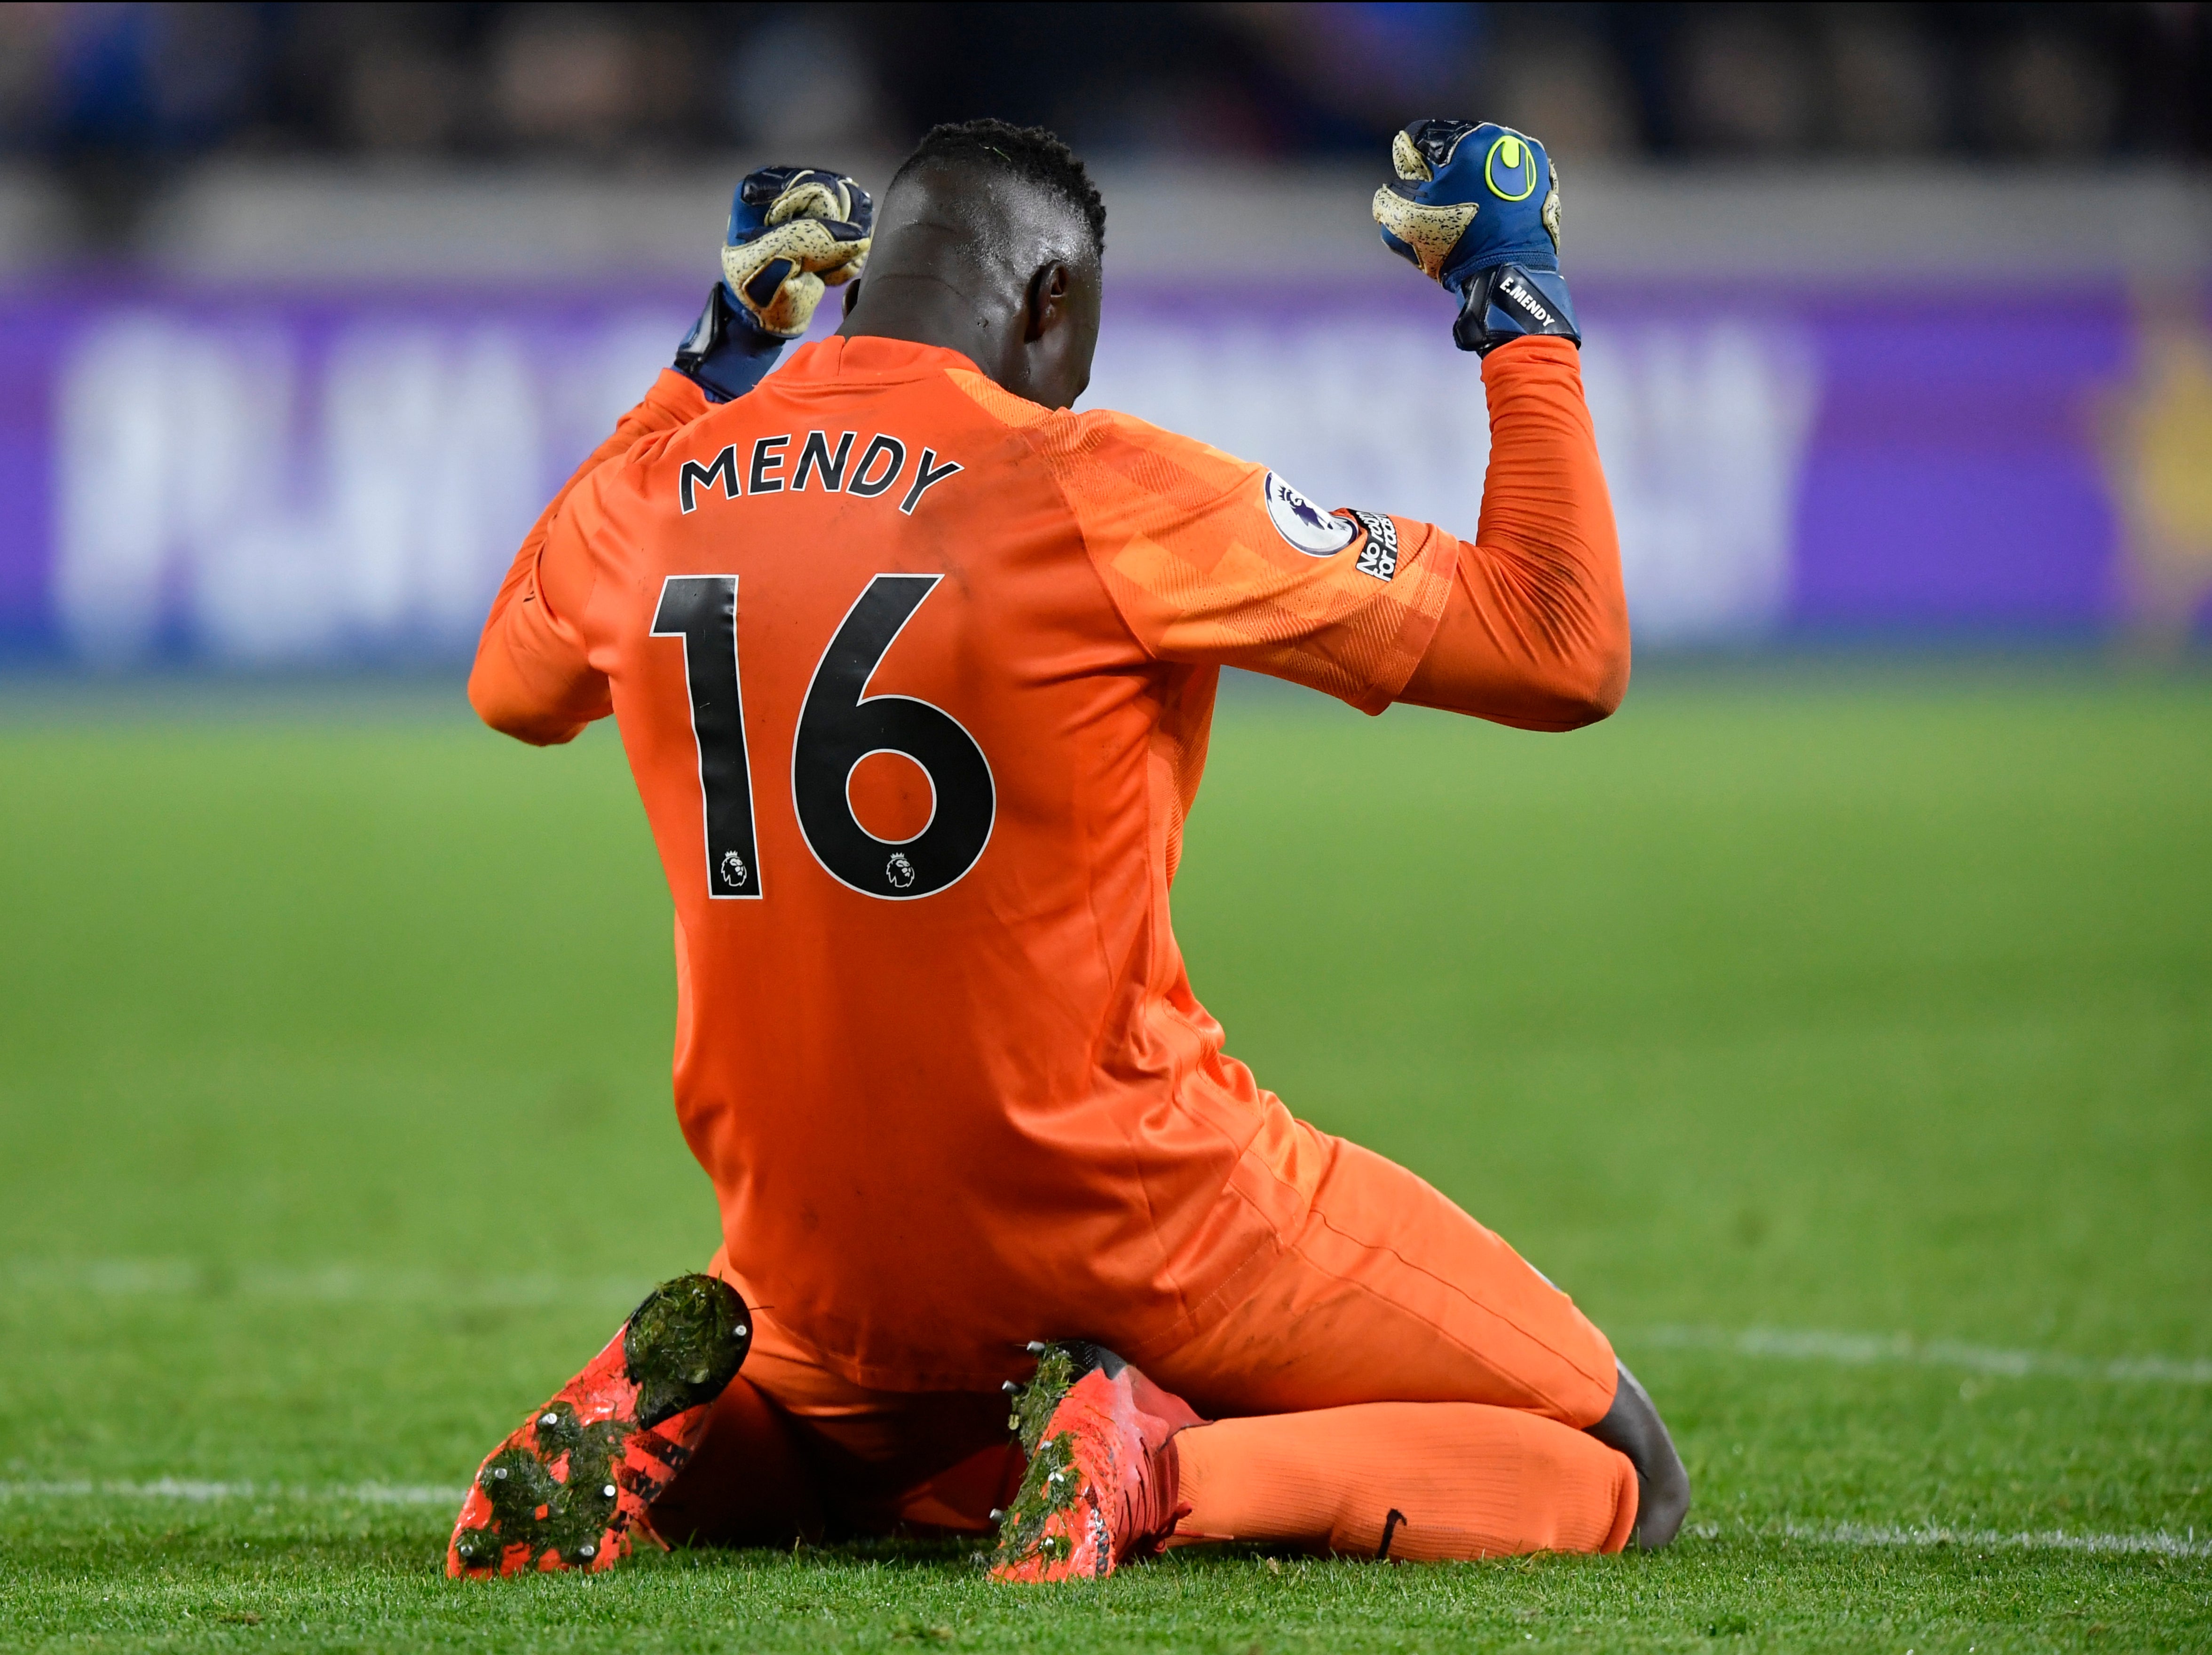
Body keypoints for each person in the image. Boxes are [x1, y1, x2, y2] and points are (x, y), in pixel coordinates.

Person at [449, 116, 1688, 1584]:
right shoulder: (1103, 482)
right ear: (1049, 307)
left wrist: (719, 353)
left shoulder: (651, 497)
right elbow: (1563, 645)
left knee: (919, 1467)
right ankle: (1161, 1465)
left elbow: (512, 686)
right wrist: (1514, 295)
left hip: (810, 1266)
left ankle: (707, 1436)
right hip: (1129, 1222)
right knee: (1622, 1467)